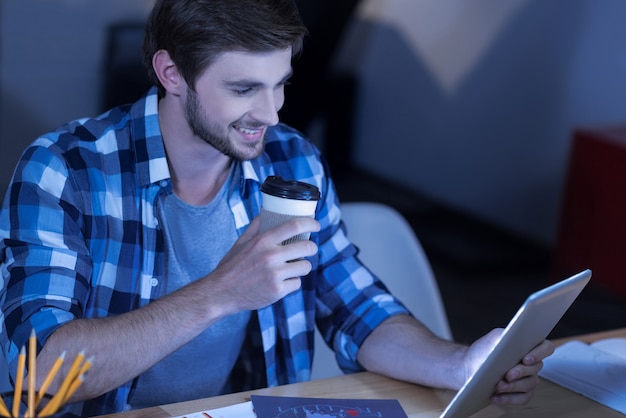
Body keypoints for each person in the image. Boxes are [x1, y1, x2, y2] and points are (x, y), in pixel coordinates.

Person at [0, 0, 554, 416]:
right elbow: (45, 369)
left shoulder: (292, 160)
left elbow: (354, 307)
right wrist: (220, 293)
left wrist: (461, 365)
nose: (269, 114)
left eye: (280, 85)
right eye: (243, 90)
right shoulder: (65, 169)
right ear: (171, 74)